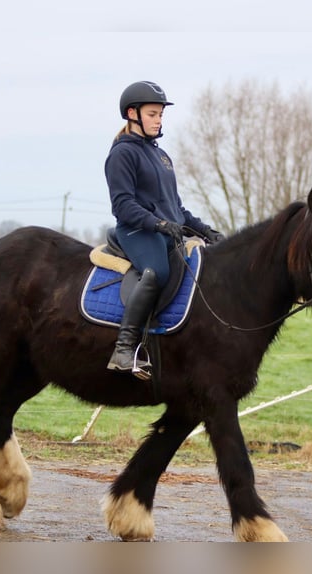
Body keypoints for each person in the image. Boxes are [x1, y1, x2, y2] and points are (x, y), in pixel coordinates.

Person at [105, 80, 224, 380]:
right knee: (157, 271)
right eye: (153, 114)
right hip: (136, 231)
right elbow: (123, 205)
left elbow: (176, 209)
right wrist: (158, 224)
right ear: (132, 113)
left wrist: (206, 231)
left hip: (164, 230)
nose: (159, 120)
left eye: (161, 114)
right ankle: (124, 348)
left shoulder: (161, 156)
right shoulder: (122, 154)